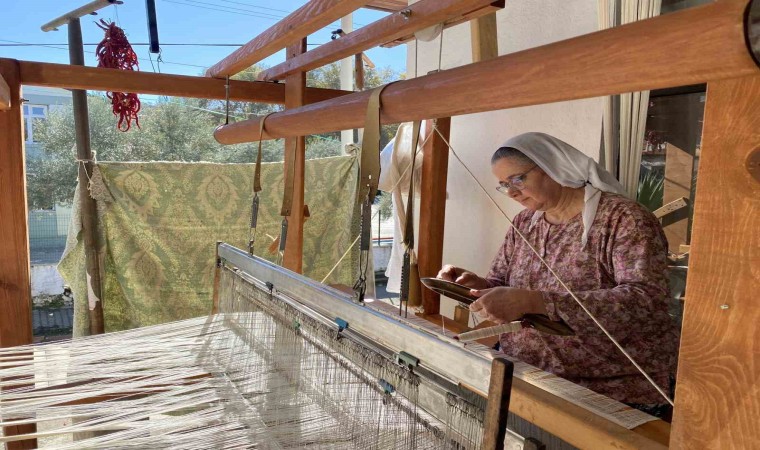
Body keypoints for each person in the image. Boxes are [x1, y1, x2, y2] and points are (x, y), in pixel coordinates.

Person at [438, 132, 679, 417]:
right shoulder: (525, 222)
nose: (512, 193)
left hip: (613, 390)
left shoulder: (625, 219)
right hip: (533, 375)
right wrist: (477, 286)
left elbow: (646, 301)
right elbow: (502, 283)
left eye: (518, 179)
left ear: (552, 166)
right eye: (504, 185)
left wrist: (539, 302)